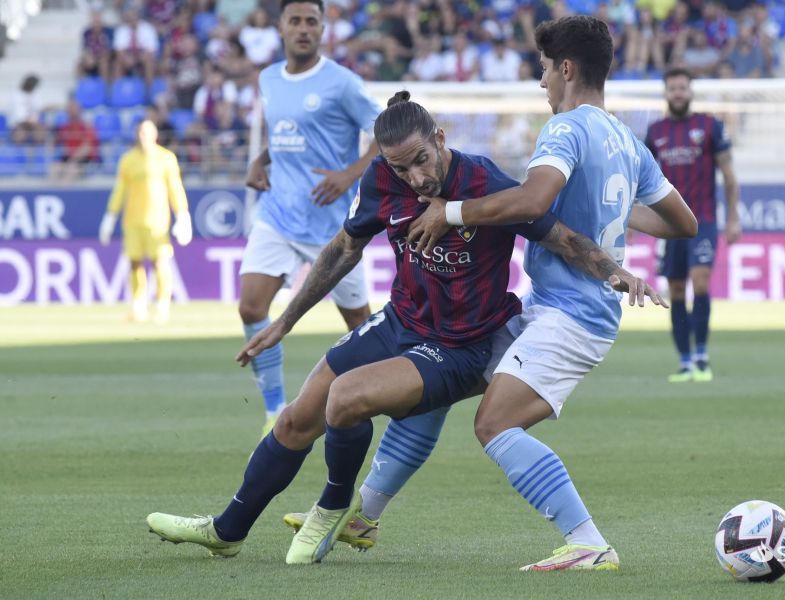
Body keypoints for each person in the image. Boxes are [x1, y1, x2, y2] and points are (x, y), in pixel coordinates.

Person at [145, 91, 665, 567]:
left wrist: (613, 271)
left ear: (440, 138)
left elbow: (561, 237)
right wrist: (284, 320)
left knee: (346, 399)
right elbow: (343, 250)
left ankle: (334, 507)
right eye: (401, 167)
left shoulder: (484, 184)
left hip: (459, 344)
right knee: (296, 418)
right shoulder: (380, 179)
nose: (415, 177)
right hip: (399, 320)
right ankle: (227, 531)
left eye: (421, 160)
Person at [406, 16, 697, 571]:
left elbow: (532, 202)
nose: (541, 81)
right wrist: (617, 214)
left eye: (543, 69)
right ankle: (366, 512)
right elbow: (684, 223)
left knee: (494, 424)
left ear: (566, 68)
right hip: (553, 309)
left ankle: (588, 543)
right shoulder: (628, 141)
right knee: (440, 377)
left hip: (575, 314)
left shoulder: (565, 128)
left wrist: (452, 211)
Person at [240, 0, 383, 435]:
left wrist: (349, 174)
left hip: (334, 229)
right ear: (280, 28)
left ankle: (377, 399)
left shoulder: (342, 83)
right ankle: (273, 410)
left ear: (323, 30)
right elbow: (287, 131)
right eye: (295, 21)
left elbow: (386, 132)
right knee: (251, 305)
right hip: (278, 214)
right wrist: (261, 160)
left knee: (360, 326)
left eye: (311, 22)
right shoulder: (268, 79)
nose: (303, 29)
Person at [644, 67, 740, 382]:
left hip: (703, 221)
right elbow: (641, 178)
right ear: (666, 92)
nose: (678, 93)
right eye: (673, 88)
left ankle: (701, 356)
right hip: (668, 225)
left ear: (690, 91)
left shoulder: (710, 126)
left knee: (700, 282)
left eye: (682, 88)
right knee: (675, 289)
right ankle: (684, 362)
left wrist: (733, 217)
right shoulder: (656, 132)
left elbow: (729, 175)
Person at [99, 120, 192, 323]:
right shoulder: (128, 159)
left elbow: (175, 187)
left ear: (155, 134)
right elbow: (120, 190)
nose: (143, 137)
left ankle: (162, 305)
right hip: (132, 220)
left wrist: (182, 214)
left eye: (147, 133)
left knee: (160, 262)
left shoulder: (166, 158)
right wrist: (110, 215)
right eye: (140, 133)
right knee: (134, 263)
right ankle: (137, 305)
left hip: (158, 220)